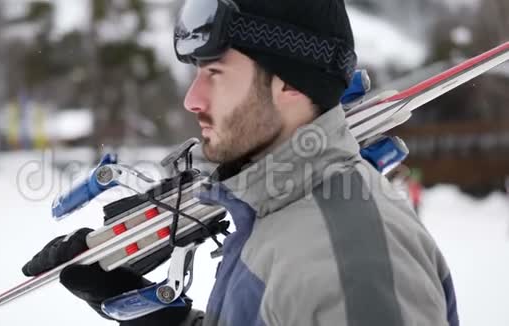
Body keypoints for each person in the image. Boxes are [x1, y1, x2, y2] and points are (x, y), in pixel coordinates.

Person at [23, 0, 459, 325]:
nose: (191, 99)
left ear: (289, 83)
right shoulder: (272, 217)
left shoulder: (348, 270)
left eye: (214, 73)